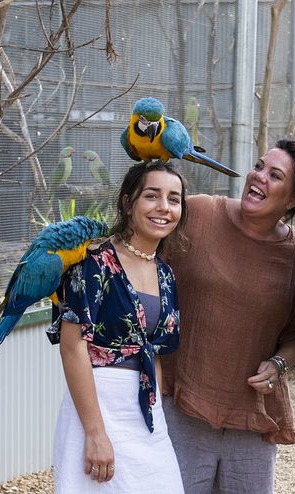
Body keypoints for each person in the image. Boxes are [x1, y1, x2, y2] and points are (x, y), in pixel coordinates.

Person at [160, 138, 295, 493]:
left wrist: (278, 365)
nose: (258, 176)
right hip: (182, 407)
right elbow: (145, 272)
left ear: (292, 199)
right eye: (259, 166)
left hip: (251, 419)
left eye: (275, 175)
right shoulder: (198, 213)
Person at [48, 161, 187, 492]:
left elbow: (153, 352)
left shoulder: (166, 275)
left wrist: (157, 415)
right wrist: (95, 433)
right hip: (97, 405)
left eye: (174, 198)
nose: (164, 208)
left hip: (145, 412)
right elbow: (72, 346)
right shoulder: (94, 262)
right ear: (128, 202)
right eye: (152, 196)